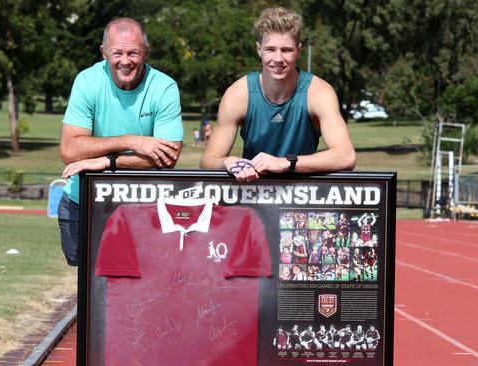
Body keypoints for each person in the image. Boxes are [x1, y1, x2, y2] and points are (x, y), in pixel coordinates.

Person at [57, 18, 183, 266]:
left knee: (139, 280)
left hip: (142, 203)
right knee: (88, 284)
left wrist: (105, 162)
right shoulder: (87, 81)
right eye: (118, 53)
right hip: (83, 200)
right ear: (104, 52)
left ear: (145, 52)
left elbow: (168, 158)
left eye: (133, 52)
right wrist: (131, 141)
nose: (125, 61)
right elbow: (69, 150)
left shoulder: (165, 87)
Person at [199, 7, 355, 181]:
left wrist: (286, 163)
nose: (278, 59)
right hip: (254, 193)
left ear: (298, 50)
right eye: (270, 49)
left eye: (286, 50)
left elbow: (346, 156)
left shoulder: (319, 92)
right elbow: (208, 161)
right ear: (259, 49)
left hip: (303, 194)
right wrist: (228, 162)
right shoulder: (238, 94)